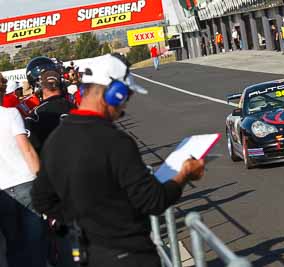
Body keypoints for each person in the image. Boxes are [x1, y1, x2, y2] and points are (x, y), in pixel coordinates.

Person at [31, 54, 206, 267]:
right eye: (125, 97)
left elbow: (41, 199)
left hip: (91, 256)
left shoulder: (55, 141)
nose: (124, 107)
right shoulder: (116, 143)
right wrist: (184, 174)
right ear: (115, 94)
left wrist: (82, 220)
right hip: (132, 256)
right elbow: (153, 201)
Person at [0, 72, 46, 267]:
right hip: (25, 182)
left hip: (2, 190)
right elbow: (26, 149)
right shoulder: (10, 114)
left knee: (13, 243)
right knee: (35, 242)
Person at [25, 68, 74, 153]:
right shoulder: (77, 108)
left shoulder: (35, 115)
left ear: (39, 89)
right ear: (63, 87)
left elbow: (30, 151)